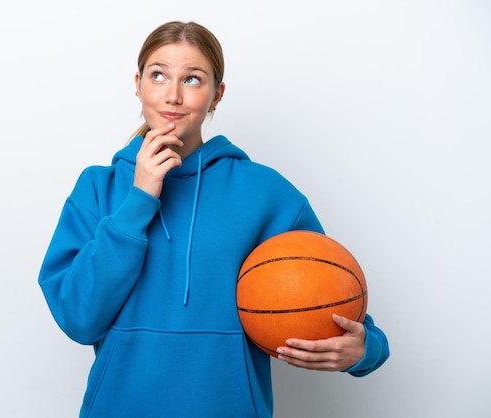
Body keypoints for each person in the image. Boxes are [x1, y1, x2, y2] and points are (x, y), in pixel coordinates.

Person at [38, 21, 389, 418]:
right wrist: (139, 200)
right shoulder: (97, 188)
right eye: (158, 76)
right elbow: (78, 319)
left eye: (192, 79)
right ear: (138, 84)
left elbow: (328, 293)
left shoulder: (265, 192)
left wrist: (366, 348)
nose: (172, 96)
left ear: (217, 95)